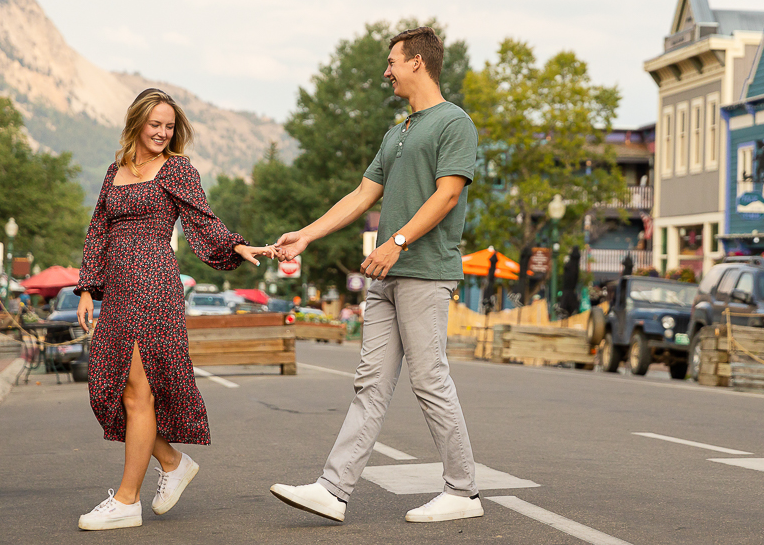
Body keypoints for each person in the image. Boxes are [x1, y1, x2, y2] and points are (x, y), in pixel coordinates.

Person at [270, 27, 482, 525]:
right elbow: (361, 196)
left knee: (430, 380)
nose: (385, 71)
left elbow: (447, 194)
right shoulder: (400, 131)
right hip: (387, 278)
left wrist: (398, 241)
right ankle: (333, 489)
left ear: (417, 63)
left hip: (424, 273)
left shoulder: (454, 123)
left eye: (392, 62)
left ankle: (463, 491)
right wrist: (306, 235)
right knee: (369, 384)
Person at [73, 88, 274, 531]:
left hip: (152, 285)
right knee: (114, 386)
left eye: (169, 126)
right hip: (119, 290)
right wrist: (87, 288)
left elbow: (204, 219)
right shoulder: (115, 171)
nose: (163, 133)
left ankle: (127, 501)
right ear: (137, 124)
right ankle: (172, 461)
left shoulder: (177, 169)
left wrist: (237, 245)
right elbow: (98, 230)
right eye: (155, 125)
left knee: (136, 390)